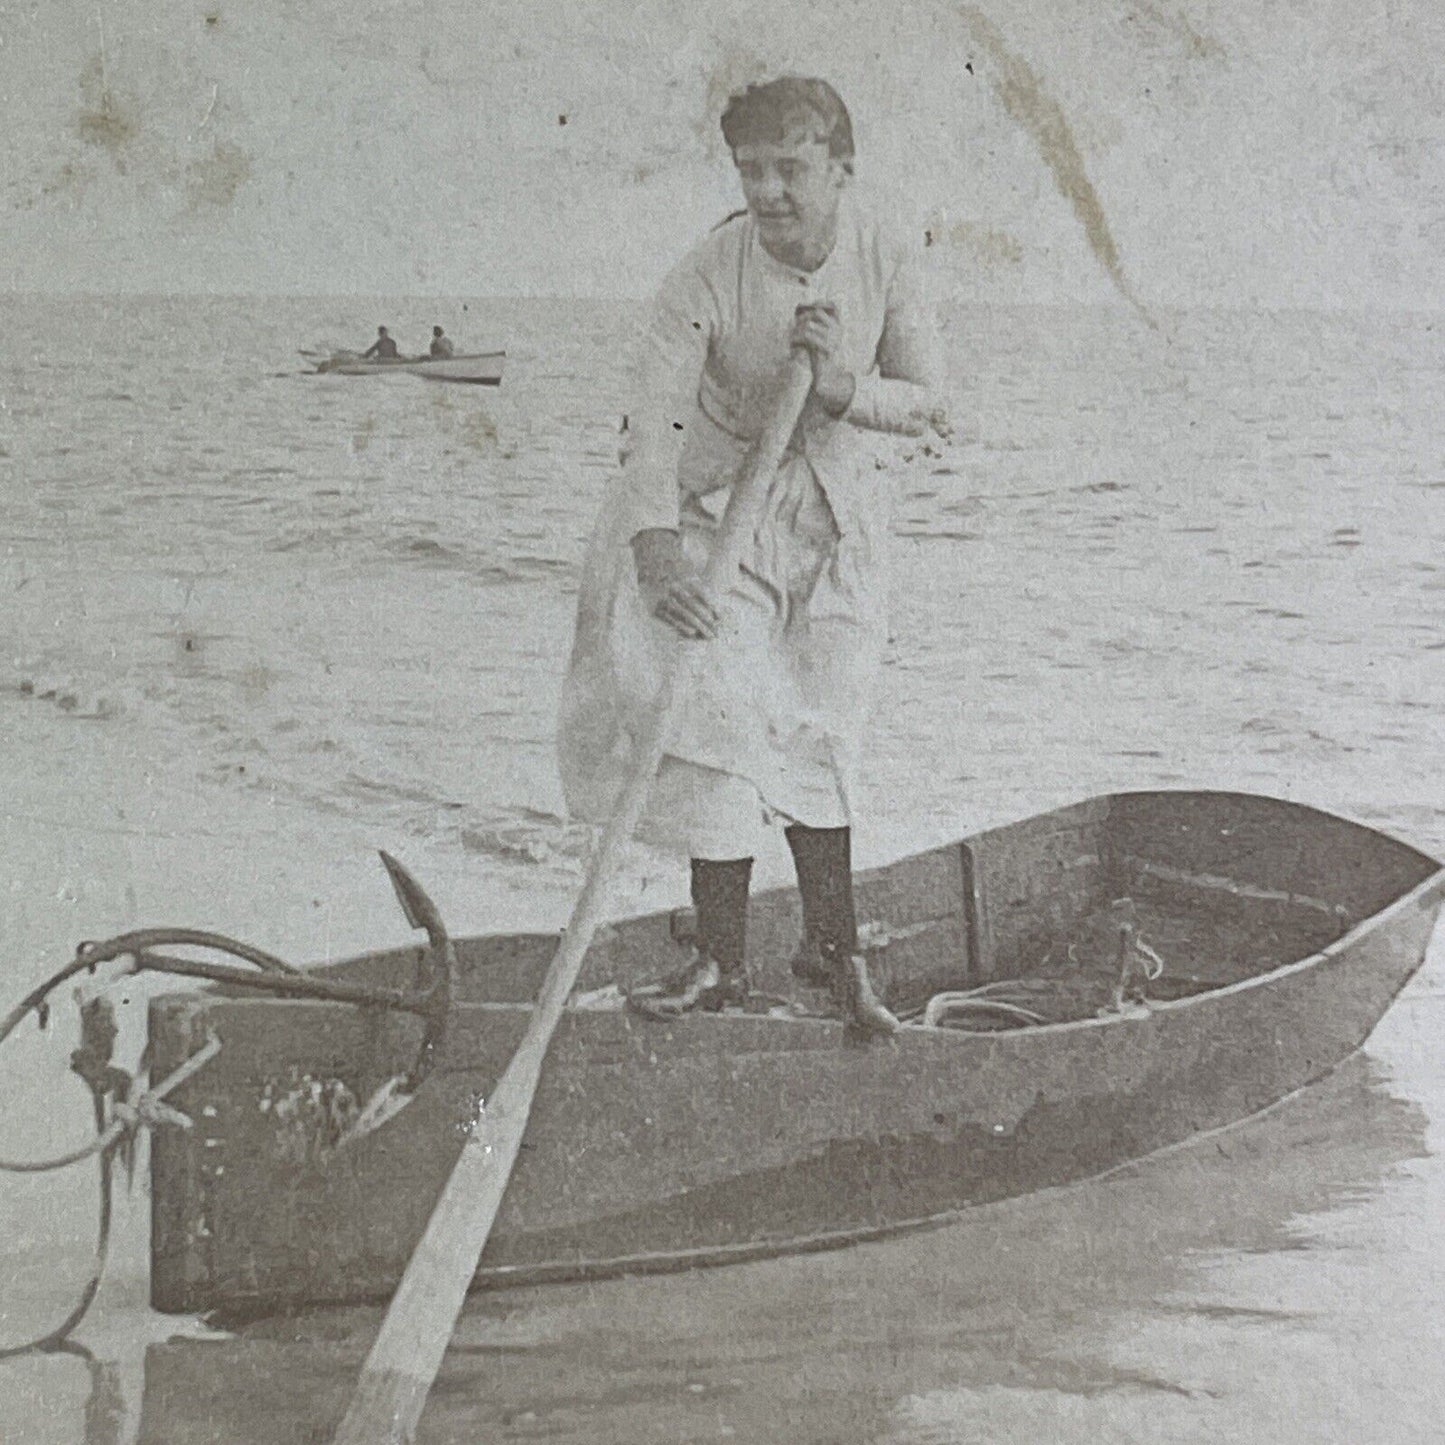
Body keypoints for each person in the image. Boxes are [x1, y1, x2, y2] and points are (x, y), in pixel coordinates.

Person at [558, 76, 944, 1033]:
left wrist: (845, 384)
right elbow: (650, 427)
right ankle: (719, 966)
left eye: (791, 168)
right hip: (707, 513)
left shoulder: (884, 252)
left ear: (841, 170)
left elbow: (933, 406)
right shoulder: (703, 279)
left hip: (833, 515)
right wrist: (655, 556)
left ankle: (832, 953)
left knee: (821, 729)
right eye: (750, 169)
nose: (768, 190)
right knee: (717, 725)